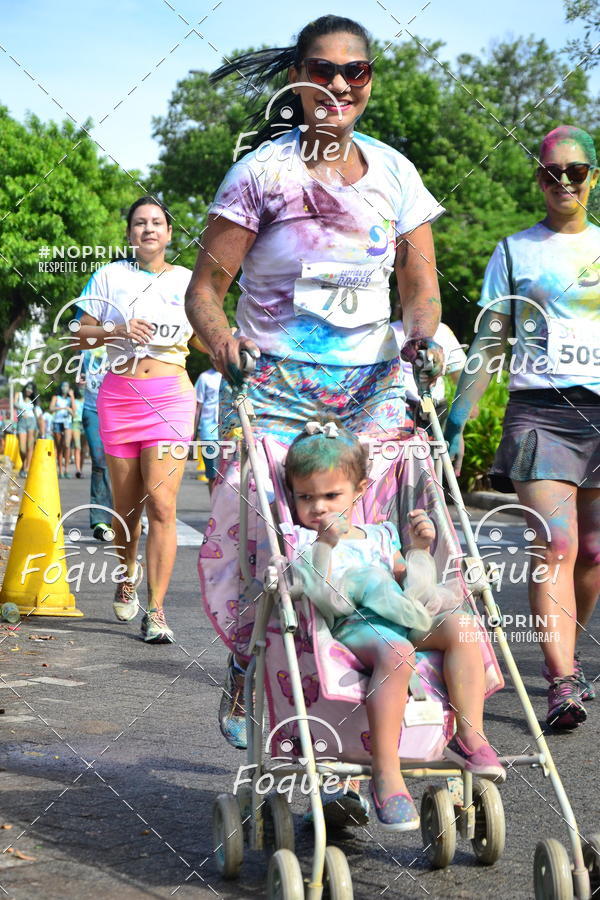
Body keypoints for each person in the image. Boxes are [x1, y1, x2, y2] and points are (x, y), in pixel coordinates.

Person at [185, 15, 445, 764]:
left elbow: (420, 287)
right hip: (275, 392)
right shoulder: (261, 174)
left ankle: (396, 694)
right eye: (322, 70)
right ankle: (251, 673)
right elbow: (204, 291)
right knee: (277, 555)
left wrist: (422, 333)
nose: (337, 85)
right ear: (297, 78)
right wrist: (220, 338)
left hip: (372, 395)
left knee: (386, 545)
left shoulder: (397, 174)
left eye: (354, 71)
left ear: (369, 81)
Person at [445, 125, 600, 730]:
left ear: (593, 177)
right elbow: (488, 340)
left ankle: (571, 653)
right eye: (551, 171)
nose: (564, 181)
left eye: (577, 171)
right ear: (538, 178)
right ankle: (561, 678)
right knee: (555, 546)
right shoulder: (513, 252)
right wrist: (458, 419)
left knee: (591, 550)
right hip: (541, 412)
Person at [285, 419, 504, 830]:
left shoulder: (380, 534)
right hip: (355, 626)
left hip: (403, 615)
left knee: (461, 626)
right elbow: (323, 596)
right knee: (398, 649)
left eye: (332, 496)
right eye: (305, 497)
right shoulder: (302, 541)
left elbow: (412, 588)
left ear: (360, 491)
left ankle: (468, 736)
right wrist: (326, 546)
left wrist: (420, 551)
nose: (319, 508)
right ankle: (386, 774)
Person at [75, 196, 200, 643]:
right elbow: (78, 335)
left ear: (169, 233)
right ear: (129, 233)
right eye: (140, 223)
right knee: (127, 510)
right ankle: (126, 575)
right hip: (119, 398)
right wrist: (117, 330)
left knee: (163, 505)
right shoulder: (110, 276)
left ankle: (157, 610)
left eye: (157, 223)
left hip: (170, 397)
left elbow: (205, 337)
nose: (148, 229)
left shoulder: (189, 280)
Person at [391, 317, 467, 426]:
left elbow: (458, 370)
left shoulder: (443, 330)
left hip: (436, 406)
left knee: (438, 441)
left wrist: (467, 401)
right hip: (404, 407)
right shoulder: (391, 331)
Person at [80, 346, 114, 541]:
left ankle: (126, 513)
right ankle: (101, 520)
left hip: (119, 408)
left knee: (124, 462)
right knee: (100, 462)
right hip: (92, 409)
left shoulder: (123, 336)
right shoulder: (86, 345)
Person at [194, 367, 222, 494]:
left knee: (231, 476)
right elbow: (197, 406)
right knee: (213, 474)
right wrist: (192, 432)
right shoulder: (204, 377)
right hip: (209, 432)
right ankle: (215, 510)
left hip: (231, 432)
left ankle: (228, 511)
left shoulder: (235, 376)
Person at [14, 381, 43, 477]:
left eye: (31, 389)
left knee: (30, 446)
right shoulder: (19, 395)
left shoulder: (34, 400)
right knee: (22, 448)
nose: (29, 390)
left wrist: (41, 430)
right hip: (21, 422)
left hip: (32, 422)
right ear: (25, 387)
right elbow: (14, 404)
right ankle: (24, 465)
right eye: (28, 388)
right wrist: (21, 409)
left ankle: (26, 468)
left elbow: (38, 415)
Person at [49, 381, 75, 478]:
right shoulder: (56, 397)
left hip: (67, 423)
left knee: (67, 446)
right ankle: (60, 471)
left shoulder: (70, 399)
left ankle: (67, 469)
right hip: (57, 422)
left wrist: (72, 396)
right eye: (64, 386)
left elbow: (74, 412)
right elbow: (51, 408)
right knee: (59, 447)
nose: (65, 388)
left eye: (67, 386)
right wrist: (62, 408)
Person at [71, 386, 86, 478]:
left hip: (85, 423)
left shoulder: (87, 401)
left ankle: (81, 469)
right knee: (77, 447)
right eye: (80, 389)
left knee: (83, 449)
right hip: (76, 423)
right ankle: (78, 469)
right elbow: (74, 411)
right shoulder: (75, 400)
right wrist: (72, 396)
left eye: (83, 389)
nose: (82, 391)